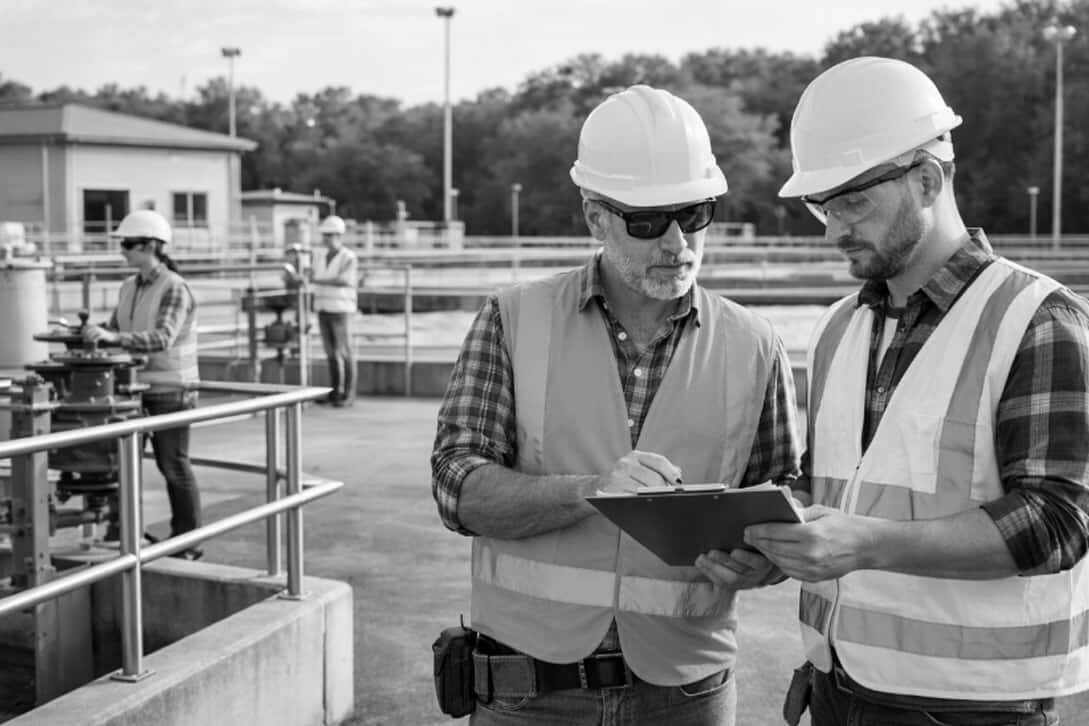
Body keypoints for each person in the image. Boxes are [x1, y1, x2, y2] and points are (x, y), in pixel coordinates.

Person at [699, 56, 1089, 726]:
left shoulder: (1036, 322)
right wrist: (773, 545)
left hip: (975, 708)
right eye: (823, 205)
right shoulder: (837, 329)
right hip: (835, 686)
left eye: (852, 201)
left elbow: (1058, 522)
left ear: (928, 180)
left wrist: (867, 543)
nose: (832, 227)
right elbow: (841, 495)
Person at [431, 85, 802, 725]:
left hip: (686, 692)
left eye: (695, 212)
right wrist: (590, 491)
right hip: (531, 696)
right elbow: (456, 486)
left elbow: (784, 497)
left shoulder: (755, 344)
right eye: (648, 221)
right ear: (595, 217)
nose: (677, 242)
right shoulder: (512, 319)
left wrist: (763, 561)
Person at [83, 209, 204, 560]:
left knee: (173, 466)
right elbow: (116, 328)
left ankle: (188, 541)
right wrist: (91, 333)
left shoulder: (175, 288)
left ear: (151, 246)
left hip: (171, 391)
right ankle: (124, 531)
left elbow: (163, 337)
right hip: (135, 390)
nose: (123, 250)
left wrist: (112, 337)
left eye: (128, 244)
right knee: (124, 464)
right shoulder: (128, 287)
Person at [310, 215, 358, 407]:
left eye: (330, 235)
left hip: (341, 310)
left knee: (345, 352)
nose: (326, 239)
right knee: (331, 353)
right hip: (323, 309)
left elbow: (344, 280)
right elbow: (311, 274)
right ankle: (335, 392)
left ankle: (348, 394)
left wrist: (316, 281)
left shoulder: (348, 257)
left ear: (339, 235)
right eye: (325, 235)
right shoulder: (319, 256)